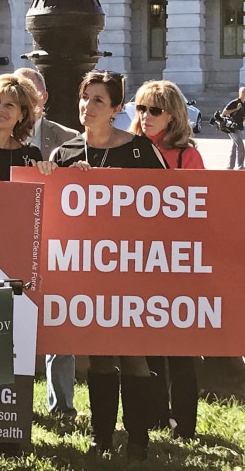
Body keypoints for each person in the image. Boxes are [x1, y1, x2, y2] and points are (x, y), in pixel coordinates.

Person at [36, 69, 166, 462]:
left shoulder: (141, 151)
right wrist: (50, 176)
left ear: (116, 109)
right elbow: (55, 213)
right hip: (87, 270)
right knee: (100, 353)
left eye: (98, 100)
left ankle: (139, 438)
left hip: (134, 267)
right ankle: (102, 435)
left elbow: (169, 210)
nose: (87, 107)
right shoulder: (66, 152)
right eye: (83, 98)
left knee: (132, 352)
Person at [129, 79, 204, 440]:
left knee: (179, 346)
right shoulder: (129, 150)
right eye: (140, 108)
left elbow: (201, 209)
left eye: (154, 110)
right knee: (147, 342)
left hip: (177, 261)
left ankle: (185, 423)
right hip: (138, 260)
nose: (145, 116)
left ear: (173, 115)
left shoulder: (186, 155)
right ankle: (157, 415)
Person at [15, 67, 80, 422]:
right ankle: (16, 405)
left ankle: (63, 406)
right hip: (14, 244)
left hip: (58, 245)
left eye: (29, 92)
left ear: (43, 98)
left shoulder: (69, 138)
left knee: (61, 328)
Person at [221, 86, 245, 170]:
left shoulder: (244, 104)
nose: (244, 93)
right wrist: (236, 109)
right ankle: (240, 167)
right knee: (241, 146)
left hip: (239, 127)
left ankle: (230, 166)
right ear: (239, 93)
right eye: (243, 92)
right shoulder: (235, 102)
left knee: (235, 146)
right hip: (232, 127)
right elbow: (224, 112)